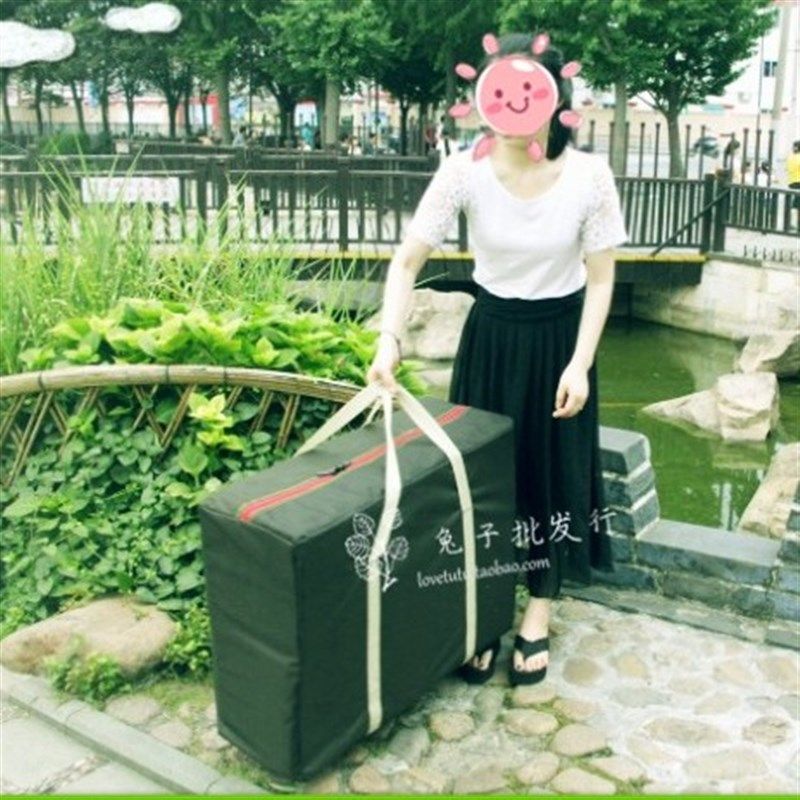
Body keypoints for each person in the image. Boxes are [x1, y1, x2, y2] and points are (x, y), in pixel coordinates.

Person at [366, 31, 626, 686]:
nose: (513, 105)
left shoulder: (590, 176)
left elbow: (601, 279)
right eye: (500, 91)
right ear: (482, 97)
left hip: (561, 341)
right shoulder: (464, 171)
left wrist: (580, 363)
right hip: (491, 337)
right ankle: (484, 610)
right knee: (481, 479)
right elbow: (407, 260)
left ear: (555, 96)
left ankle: (539, 607)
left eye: (528, 90)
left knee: (550, 473)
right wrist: (389, 338)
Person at [787, 140, 800, 228]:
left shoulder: (790, 157)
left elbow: (787, 169)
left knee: (792, 205)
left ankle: (789, 223)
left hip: (791, 183)